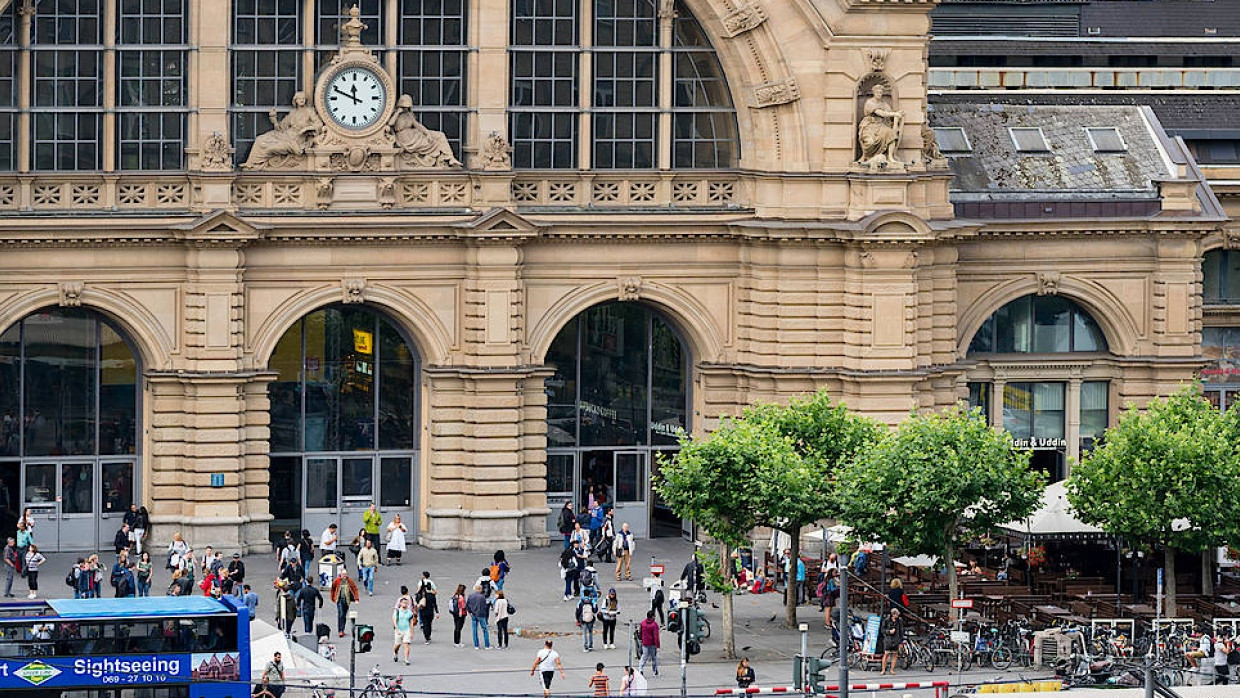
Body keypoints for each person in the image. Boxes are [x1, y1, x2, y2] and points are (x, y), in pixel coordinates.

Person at [241, 92, 322, 169]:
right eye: (299, 98)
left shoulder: (309, 112)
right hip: (286, 135)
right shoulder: (293, 112)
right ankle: (250, 163)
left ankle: (258, 164)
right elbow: (281, 127)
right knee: (260, 139)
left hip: (296, 141)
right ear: (295, 101)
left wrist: (307, 128)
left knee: (270, 148)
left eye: (303, 98)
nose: (301, 100)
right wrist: (274, 119)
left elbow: (319, 124)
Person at [389, 94, 462, 168]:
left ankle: (450, 157)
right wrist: (397, 112)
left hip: (415, 134)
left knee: (440, 135)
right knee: (431, 142)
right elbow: (390, 124)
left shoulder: (409, 115)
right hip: (406, 139)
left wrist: (427, 133)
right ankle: (438, 157)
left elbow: (418, 125)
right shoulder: (396, 115)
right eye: (404, 107)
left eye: (407, 107)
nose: (406, 109)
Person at [856, 83, 904, 165]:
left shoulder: (884, 103)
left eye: (881, 92)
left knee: (890, 133)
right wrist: (895, 114)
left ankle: (890, 157)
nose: (879, 94)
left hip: (881, 125)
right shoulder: (870, 102)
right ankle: (866, 156)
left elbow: (889, 112)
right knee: (870, 142)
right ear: (874, 93)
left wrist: (898, 113)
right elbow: (881, 113)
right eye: (877, 92)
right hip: (870, 126)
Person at [330, 571, 360, 638]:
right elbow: (332, 588)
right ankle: (340, 630)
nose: (344, 575)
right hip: (339, 600)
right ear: (341, 574)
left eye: (345, 574)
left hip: (347, 600)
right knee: (341, 614)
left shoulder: (349, 581)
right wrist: (333, 597)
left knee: (344, 615)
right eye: (343, 574)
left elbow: (355, 589)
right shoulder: (337, 581)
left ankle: (342, 629)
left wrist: (356, 599)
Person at [415, 571, 439, 643]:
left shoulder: (421, 584)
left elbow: (418, 590)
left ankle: (426, 637)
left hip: (423, 610)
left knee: (425, 623)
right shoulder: (432, 594)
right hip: (430, 611)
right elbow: (435, 604)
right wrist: (437, 612)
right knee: (429, 623)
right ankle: (429, 635)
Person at [879, 607, 904, 676]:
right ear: (893, 614)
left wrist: (901, 641)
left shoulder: (900, 620)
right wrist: (889, 631)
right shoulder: (887, 620)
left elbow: (901, 631)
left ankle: (892, 670)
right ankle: (883, 670)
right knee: (886, 654)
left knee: (895, 654)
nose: (897, 616)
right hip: (888, 639)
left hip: (896, 639)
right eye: (896, 615)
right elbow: (882, 630)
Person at [466, 584, 491, 649]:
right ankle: (487, 645)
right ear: (480, 589)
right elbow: (484, 607)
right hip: (481, 615)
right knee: (485, 630)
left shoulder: (470, 596)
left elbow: (467, 605)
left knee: (474, 630)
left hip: (473, 615)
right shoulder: (482, 597)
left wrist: (470, 612)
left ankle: (476, 645)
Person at [393, 597, 415, 665]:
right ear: (400, 603)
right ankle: (395, 653)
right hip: (399, 630)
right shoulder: (397, 611)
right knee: (397, 645)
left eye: (406, 603)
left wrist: (411, 632)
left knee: (406, 644)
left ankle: (406, 659)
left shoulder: (409, 613)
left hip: (406, 630)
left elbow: (411, 623)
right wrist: (397, 630)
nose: (404, 604)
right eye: (403, 602)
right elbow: (394, 621)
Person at [638, 610, 660, 676]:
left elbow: (640, 632)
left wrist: (641, 639)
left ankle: (640, 669)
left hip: (645, 643)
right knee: (654, 657)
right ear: (652, 617)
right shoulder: (654, 624)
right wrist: (658, 646)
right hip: (652, 644)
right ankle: (655, 671)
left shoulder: (643, 623)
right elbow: (656, 636)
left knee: (644, 656)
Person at [577, 588, 598, 652]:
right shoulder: (592, 601)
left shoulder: (581, 601)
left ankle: (585, 647)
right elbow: (595, 610)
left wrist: (578, 619)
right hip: (590, 619)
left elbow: (578, 611)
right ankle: (590, 646)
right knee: (590, 632)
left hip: (583, 619)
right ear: (589, 594)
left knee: (585, 633)